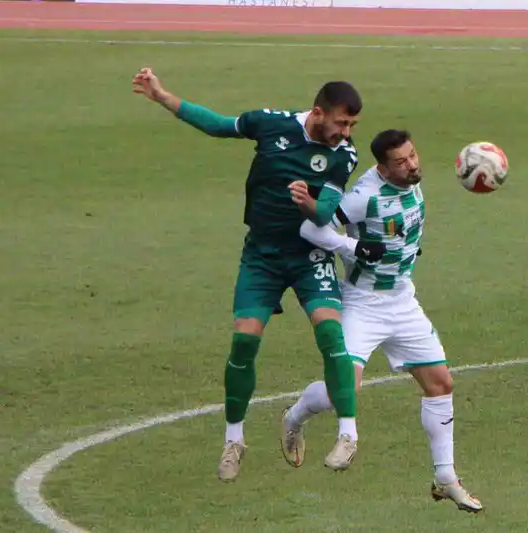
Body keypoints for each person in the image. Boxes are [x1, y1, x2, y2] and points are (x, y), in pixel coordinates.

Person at [131, 68, 364, 480]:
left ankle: (348, 434)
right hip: (262, 256)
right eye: (341, 123)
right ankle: (233, 441)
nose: (345, 133)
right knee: (243, 342)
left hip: (308, 256)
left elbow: (325, 213)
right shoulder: (270, 123)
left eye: (351, 126)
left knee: (331, 335)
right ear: (318, 113)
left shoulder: (343, 154)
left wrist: (307, 204)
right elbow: (218, 125)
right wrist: (163, 96)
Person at [280, 129, 483, 513]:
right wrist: (353, 246)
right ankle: (293, 417)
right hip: (363, 304)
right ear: (383, 168)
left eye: (413, 155)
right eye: (401, 162)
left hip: (402, 301)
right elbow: (310, 228)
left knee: (440, 383)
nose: (412, 165)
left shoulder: (411, 181)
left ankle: (445, 478)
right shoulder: (363, 196)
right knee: (344, 390)